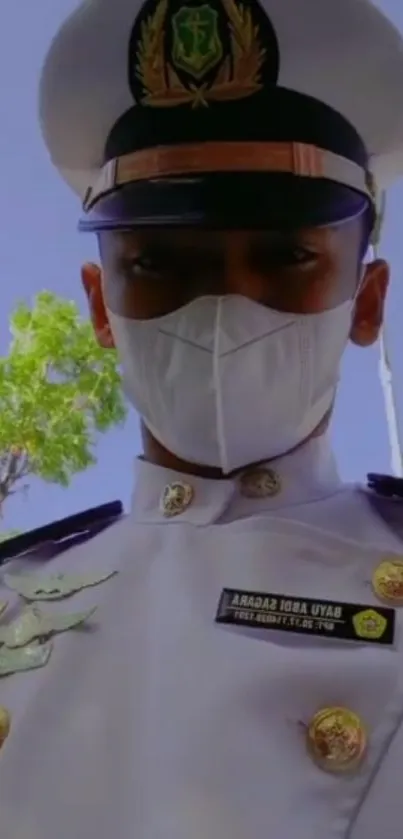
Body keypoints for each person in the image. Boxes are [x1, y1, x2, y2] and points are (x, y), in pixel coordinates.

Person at [1, 0, 403, 835]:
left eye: (285, 256)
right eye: (159, 263)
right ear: (101, 308)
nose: (224, 306)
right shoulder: (12, 602)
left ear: (365, 302)